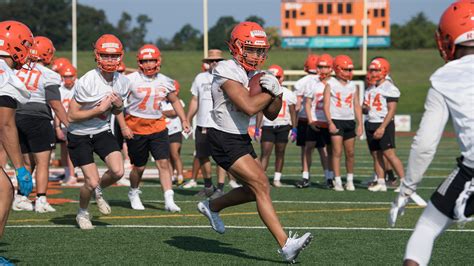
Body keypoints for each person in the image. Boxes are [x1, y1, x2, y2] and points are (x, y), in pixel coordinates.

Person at [197, 21, 312, 263]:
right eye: (251, 49)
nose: (257, 55)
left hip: (239, 136)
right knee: (260, 184)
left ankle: (213, 206)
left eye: (261, 50)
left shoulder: (253, 74)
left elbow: (271, 113)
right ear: (237, 47)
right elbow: (248, 106)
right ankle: (285, 245)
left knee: (255, 190)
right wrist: (271, 92)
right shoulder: (226, 69)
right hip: (221, 136)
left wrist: (277, 94)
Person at [389, 1, 474, 265]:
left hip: (472, 169)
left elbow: (425, 144)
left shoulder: (445, 77)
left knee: (426, 228)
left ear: (448, 38)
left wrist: (406, 190)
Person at [67, 34, 129, 229]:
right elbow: (71, 116)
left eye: (114, 56)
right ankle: (83, 213)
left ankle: (98, 190)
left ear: (120, 56)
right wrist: (99, 110)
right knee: (90, 181)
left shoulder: (123, 81)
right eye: (105, 55)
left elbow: (117, 110)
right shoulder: (87, 81)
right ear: (97, 56)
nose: (110, 60)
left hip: (102, 131)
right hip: (80, 134)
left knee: (118, 171)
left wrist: (119, 106)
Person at [118, 44, 190, 211]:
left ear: (158, 61)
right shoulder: (129, 80)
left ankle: (169, 199)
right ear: (139, 62)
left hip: (158, 126)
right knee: (139, 167)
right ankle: (134, 192)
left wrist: (184, 119)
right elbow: (118, 105)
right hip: (135, 126)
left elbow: (174, 100)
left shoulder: (165, 80)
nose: (149, 64)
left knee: (163, 163)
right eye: (146, 61)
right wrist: (123, 126)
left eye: (152, 60)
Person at [14, 36, 69, 212]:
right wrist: (69, 123)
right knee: (43, 163)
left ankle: (21, 197)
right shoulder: (49, 74)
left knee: (27, 162)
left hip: (17, 116)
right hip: (38, 118)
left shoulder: (16, 70)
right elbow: (54, 102)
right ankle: (41, 199)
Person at [0, 20, 34, 239]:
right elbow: (5, 124)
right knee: (4, 192)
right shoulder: (5, 76)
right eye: (26, 46)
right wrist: (21, 168)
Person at [186, 49, 227, 197]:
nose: (214, 63)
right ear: (207, 63)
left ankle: (221, 188)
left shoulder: (227, 77)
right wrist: (187, 118)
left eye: (217, 60)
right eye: (211, 61)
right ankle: (209, 185)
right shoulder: (200, 78)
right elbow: (195, 100)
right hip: (203, 122)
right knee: (202, 155)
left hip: (221, 124)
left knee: (221, 157)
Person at [363, 58, 405, 192]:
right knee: (376, 154)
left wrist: (382, 127)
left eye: (376, 70)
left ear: (384, 70)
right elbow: (366, 106)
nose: (373, 73)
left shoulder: (389, 87)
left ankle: (405, 183)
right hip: (370, 122)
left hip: (383, 123)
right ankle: (381, 182)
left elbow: (392, 110)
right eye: (372, 70)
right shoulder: (370, 87)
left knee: (390, 154)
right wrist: (365, 108)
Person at [323, 55, 363, 191]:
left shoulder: (353, 86)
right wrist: (330, 122)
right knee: (337, 152)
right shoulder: (330, 84)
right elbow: (326, 105)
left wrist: (360, 124)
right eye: (346, 70)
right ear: (338, 69)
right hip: (336, 120)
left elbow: (357, 105)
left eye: (350, 70)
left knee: (350, 152)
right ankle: (338, 181)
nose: (349, 73)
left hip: (349, 121)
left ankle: (350, 180)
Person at [255, 64, 296, 187]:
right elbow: (260, 111)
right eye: (273, 77)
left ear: (282, 78)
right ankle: (262, 178)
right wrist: (257, 128)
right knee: (265, 152)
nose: (276, 80)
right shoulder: (265, 94)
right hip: (268, 125)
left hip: (283, 125)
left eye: (278, 77)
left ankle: (277, 178)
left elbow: (293, 112)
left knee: (280, 152)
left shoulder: (288, 93)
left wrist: (294, 128)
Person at [303, 54, 334, 188]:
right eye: (320, 67)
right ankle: (305, 176)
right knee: (308, 149)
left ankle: (329, 177)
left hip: (328, 122)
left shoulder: (334, 84)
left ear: (331, 68)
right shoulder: (312, 83)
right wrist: (310, 121)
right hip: (315, 121)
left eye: (325, 67)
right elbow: (308, 104)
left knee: (327, 151)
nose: (322, 70)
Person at [293, 54, 319, 187]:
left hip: (304, 119)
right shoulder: (323, 81)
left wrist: (294, 124)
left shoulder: (301, 82)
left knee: (305, 150)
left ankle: (305, 175)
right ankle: (330, 177)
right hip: (320, 119)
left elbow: (297, 107)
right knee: (325, 151)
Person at [56, 63, 79, 185]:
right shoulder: (59, 89)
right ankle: (67, 173)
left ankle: (72, 174)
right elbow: (56, 109)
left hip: (78, 123)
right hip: (64, 124)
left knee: (71, 149)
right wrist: (57, 127)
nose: (68, 79)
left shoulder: (80, 86)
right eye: (65, 76)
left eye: (70, 76)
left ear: (75, 77)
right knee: (64, 150)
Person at [162, 80, 185, 186]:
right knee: (167, 156)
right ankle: (171, 177)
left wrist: (163, 113)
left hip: (175, 131)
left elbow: (174, 112)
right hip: (164, 131)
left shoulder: (178, 101)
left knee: (175, 154)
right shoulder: (161, 102)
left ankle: (180, 176)